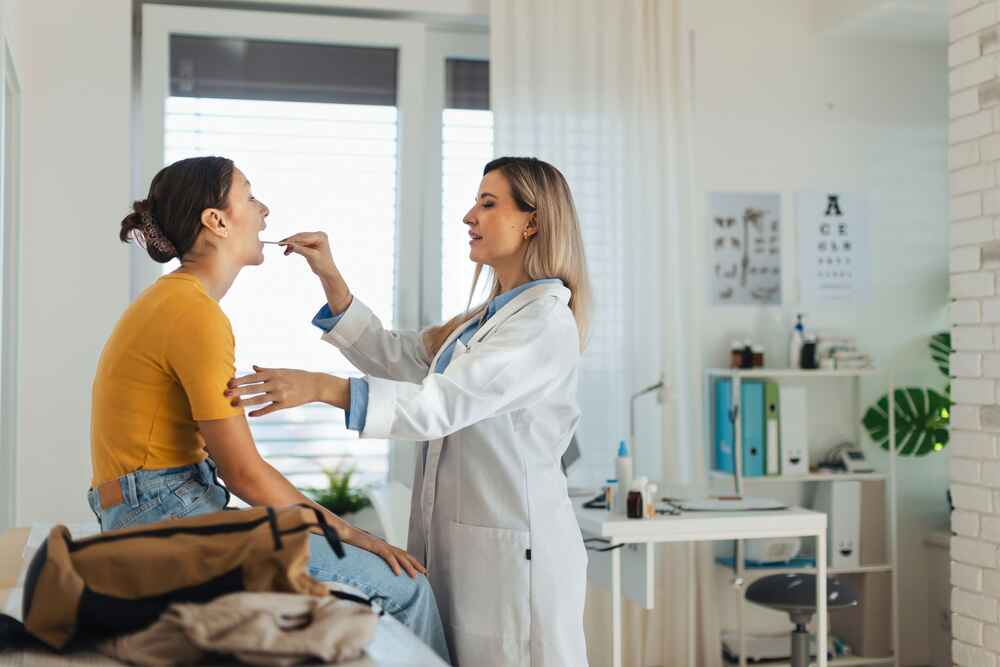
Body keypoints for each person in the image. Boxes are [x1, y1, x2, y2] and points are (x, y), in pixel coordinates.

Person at [228, 157, 591, 666]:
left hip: (516, 557)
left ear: (532, 221)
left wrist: (323, 388)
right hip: (467, 547)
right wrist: (330, 277)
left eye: (488, 204)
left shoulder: (543, 325)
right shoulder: (487, 320)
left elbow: (437, 406)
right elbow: (397, 357)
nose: (469, 215)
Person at [88, 156, 450, 662]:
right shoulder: (195, 315)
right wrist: (349, 532)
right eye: (250, 196)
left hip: (155, 510)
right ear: (215, 221)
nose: (265, 211)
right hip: (166, 517)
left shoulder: (172, 302)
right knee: (405, 585)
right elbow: (243, 473)